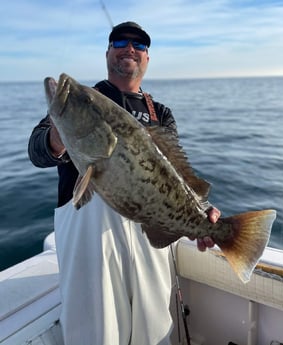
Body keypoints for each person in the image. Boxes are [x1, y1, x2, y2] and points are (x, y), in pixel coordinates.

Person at [28, 21, 220, 345]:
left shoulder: (161, 113)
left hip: (151, 240)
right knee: (96, 333)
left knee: (154, 332)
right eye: (120, 41)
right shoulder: (85, 101)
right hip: (91, 245)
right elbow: (37, 150)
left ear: (147, 58)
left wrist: (199, 213)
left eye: (139, 45)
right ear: (107, 53)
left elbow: (175, 176)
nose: (129, 48)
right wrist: (58, 137)